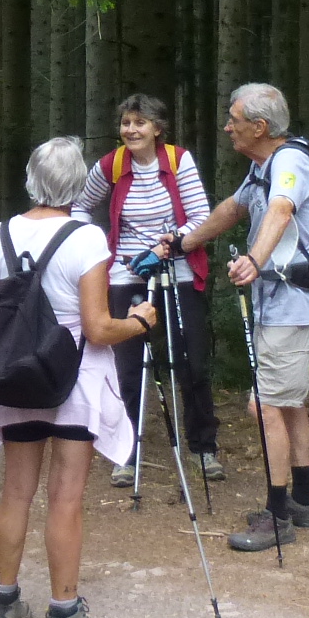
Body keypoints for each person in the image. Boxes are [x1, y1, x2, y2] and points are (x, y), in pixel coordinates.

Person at [0, 137, 154, 618]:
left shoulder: (1, 234)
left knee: (15, 492)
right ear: (77, 185)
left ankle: (4, 604)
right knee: (65, 499)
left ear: (31, 179)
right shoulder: (86, 238)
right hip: (73, 379)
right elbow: (97, 328)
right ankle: (65, 615)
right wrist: (138, 321)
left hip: (14, 374)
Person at [162, 83, 309, 551]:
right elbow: (233, 210)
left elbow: (281, 210)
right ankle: (304, 502)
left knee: (265, 405)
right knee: (288, 401)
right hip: (280, 304)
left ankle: (278, 516)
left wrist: (254, 259)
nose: (227, 127)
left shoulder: (290, 163)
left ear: (260, 126)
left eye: (234, 120)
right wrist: (185, 242)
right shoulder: (262, 167)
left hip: (292, 305)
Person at [71, 94, 220, 490]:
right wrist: (97, 245)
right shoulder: (112, 164)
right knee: (127, 368)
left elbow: (201, 216)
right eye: (126, 123)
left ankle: (203, 446)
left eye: (140, 123)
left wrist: (171, 242)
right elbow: (80, 207)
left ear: (157, 128)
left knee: (192, 361)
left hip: (177, 270)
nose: (131, 130)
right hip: (125, 275)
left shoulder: (178, 160)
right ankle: (126, 451)